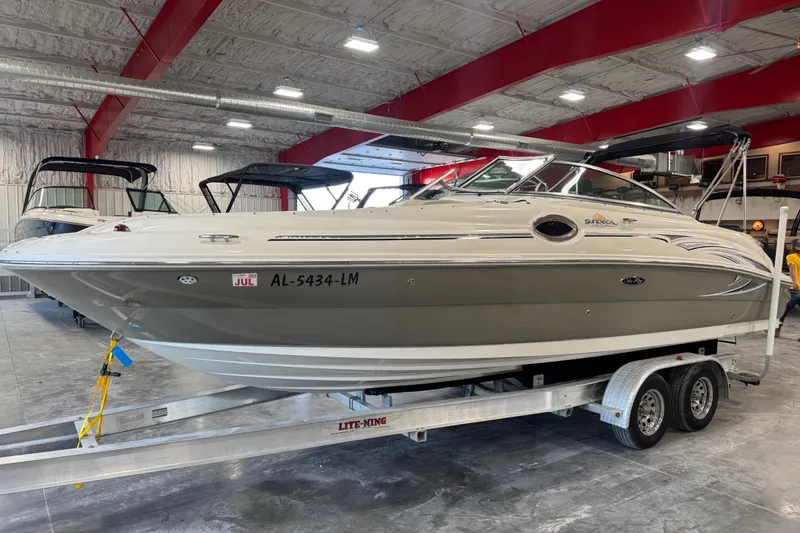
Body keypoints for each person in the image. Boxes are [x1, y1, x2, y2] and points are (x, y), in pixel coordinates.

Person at [778, 240, 800, 336]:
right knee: (787, 307)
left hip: (795, 287)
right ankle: (777, 326)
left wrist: (795, 282)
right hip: (796, 287)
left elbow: (792, 270)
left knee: (786, 307)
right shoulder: (793, 257)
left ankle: (777, 327)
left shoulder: (791, 257)